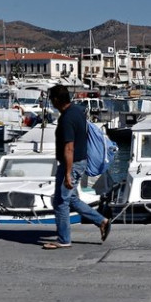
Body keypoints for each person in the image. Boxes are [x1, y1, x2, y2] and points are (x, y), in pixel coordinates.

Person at [43, 85, 110, 250]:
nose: (51, 102)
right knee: (71, 198)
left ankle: (64, 239)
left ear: (57, 100)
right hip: (80, 161)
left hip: (71, 164)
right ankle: (101, 221)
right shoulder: (77, 111)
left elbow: (69, 147)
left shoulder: (67, 119)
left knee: (60, 202)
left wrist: (67, 173)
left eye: (51, 99)